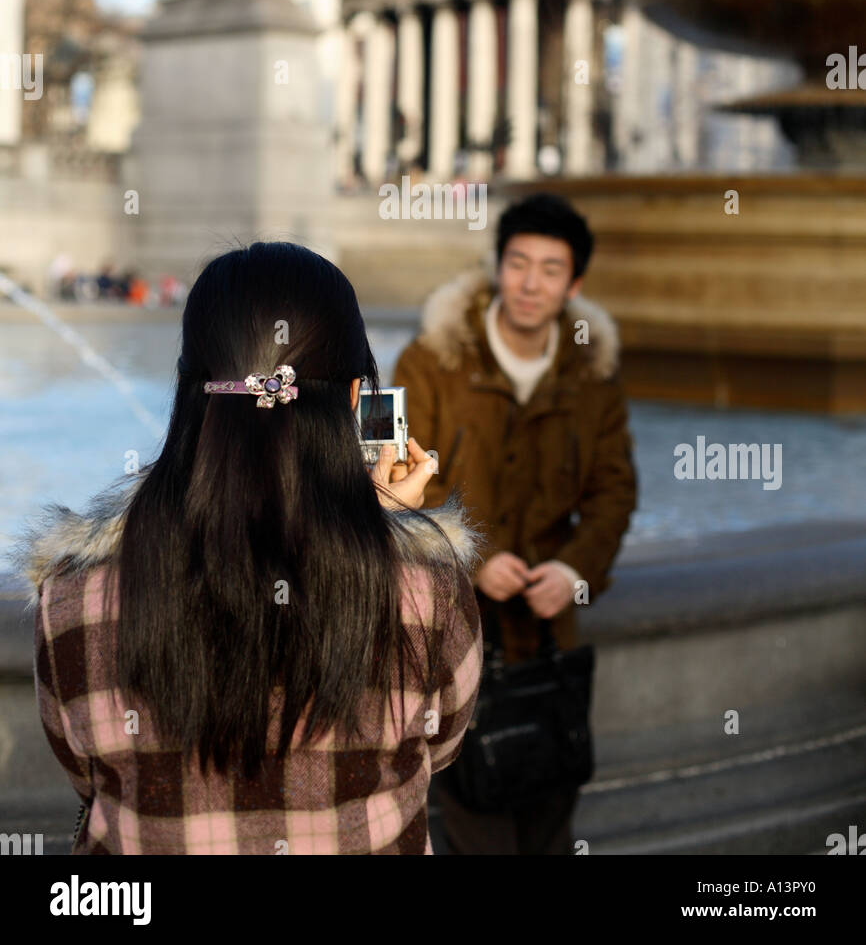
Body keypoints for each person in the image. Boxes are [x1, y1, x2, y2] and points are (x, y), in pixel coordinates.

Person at [17, 241, 483, 855]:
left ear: (187, 392)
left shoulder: (73, 594)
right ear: (351, 398)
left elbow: (84, 769)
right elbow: (439, 747)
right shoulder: (431, 591)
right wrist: (384, 525)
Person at [392, 192, 638, 855]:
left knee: (552, 819)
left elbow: (615, 492)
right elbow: (396, 475)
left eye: (550, 270)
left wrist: (573, 570)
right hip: (454, 622)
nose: (530, 284)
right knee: (475, 818)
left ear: (574, 284)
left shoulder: (595, 374)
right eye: (518, 263)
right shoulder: (429, 358)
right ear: (497, 266)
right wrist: (475, 556)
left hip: (550, 624)